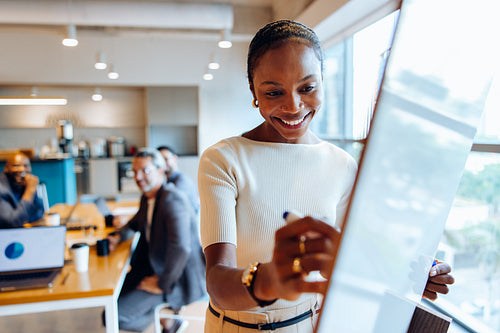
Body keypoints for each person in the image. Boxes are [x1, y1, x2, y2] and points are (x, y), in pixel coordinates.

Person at [197, 20, 455, 332]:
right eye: (274, 92)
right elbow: (218, 283)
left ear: (323, 82)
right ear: (253, 91)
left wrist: (406, 273)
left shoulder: (342, 164)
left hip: (313, 322)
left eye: (307, 88)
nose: (293, 106)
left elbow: (353, 256)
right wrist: (268, 280)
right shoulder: (224, 160)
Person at [107, 148, 206, 333]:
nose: (138, 177)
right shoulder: (148, 197)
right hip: (154, 266)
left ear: (161, 170)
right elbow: (134, 224)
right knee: (110, 302)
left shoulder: (172, 200)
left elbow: (181, 248)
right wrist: (117, 237)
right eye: (134, 171)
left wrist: (162, 284)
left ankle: (167, 318)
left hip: (175, 278)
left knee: (114, 317)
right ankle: (168, 320)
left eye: (145, 170)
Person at [0, 152, 45, 228]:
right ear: (6, 169)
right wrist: (29, 192)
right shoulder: (2, 189)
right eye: (16, 165)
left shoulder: (25, 183)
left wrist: (23, 219)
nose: (22, 169)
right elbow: (12, 222)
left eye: (26, 166)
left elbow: (39, 212)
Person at [157, 145, 200, 214]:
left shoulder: (182, 181)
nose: (163, 163)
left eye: (166, 159)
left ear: (175, 158)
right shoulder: (169, 181)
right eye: (160, 161)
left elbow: (172, 204)